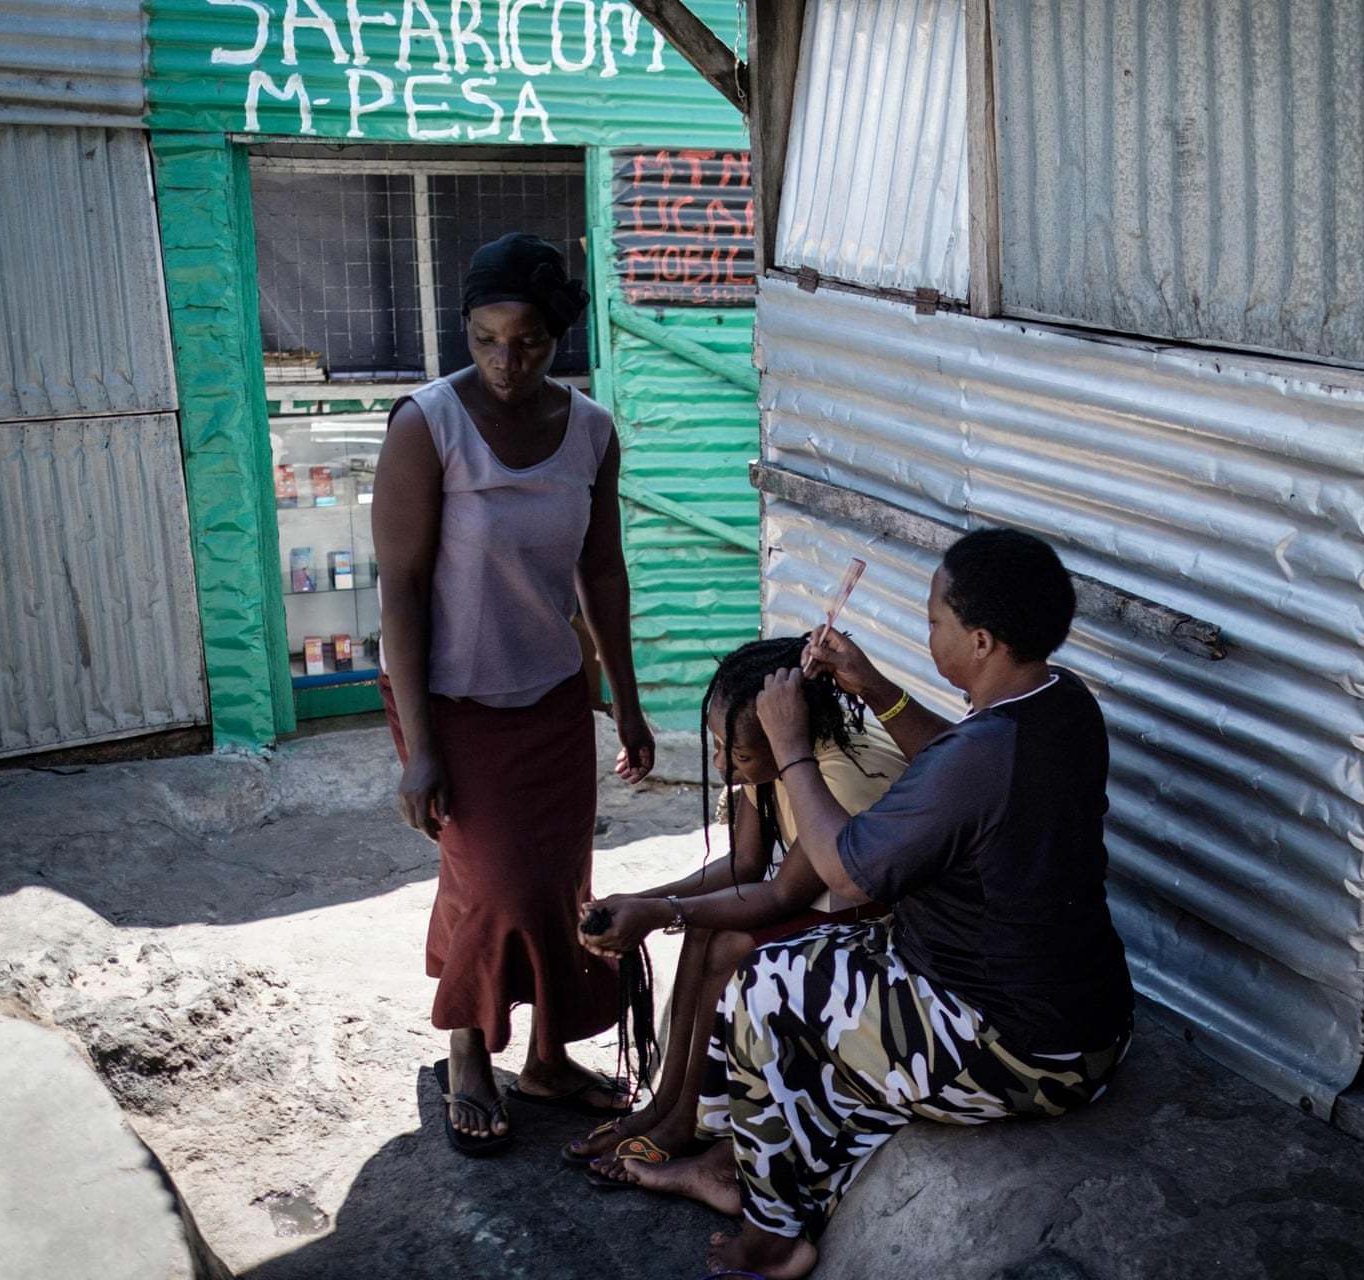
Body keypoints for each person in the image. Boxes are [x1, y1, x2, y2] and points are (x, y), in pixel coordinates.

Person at [664, 528, 1136, 1279]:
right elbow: (960, 763)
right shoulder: (1060, 700)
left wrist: (790, 749)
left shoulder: (981, 757)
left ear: (980, 641)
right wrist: (877, 690)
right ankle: (746, 1165)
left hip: (1023, 1051)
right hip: (1092, 1023)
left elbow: (849, 874)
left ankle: (773, 1233)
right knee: (811, 970)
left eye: (934, 623)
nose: (928, 630)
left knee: (762, 987)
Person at [371, 232, 656, 1155]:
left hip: (554, 697)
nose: (503, 360)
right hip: (451, 697)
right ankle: (466, 1051)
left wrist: (626, 696)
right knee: (489, 883)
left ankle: (545, 1060)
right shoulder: (427, 426)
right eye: (485, 339)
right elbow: (401, 589)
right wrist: (420, 749)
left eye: (525, 341)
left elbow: (602, 573)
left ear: (556, 339)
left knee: (560, 884)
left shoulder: (591, 432)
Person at [570, 634, 909, 1182]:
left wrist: (661, 914)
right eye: (720, 748)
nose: (724, 764)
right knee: (703, 930)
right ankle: (667, 1105)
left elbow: (781, 896)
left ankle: (688, 1122)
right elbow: (744, 866)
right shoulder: (768, 754)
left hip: (882, 932)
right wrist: (641, 901)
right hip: (828, 906)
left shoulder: (840, 776)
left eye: (739, 755)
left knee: (727, 942)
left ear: (786, 735)